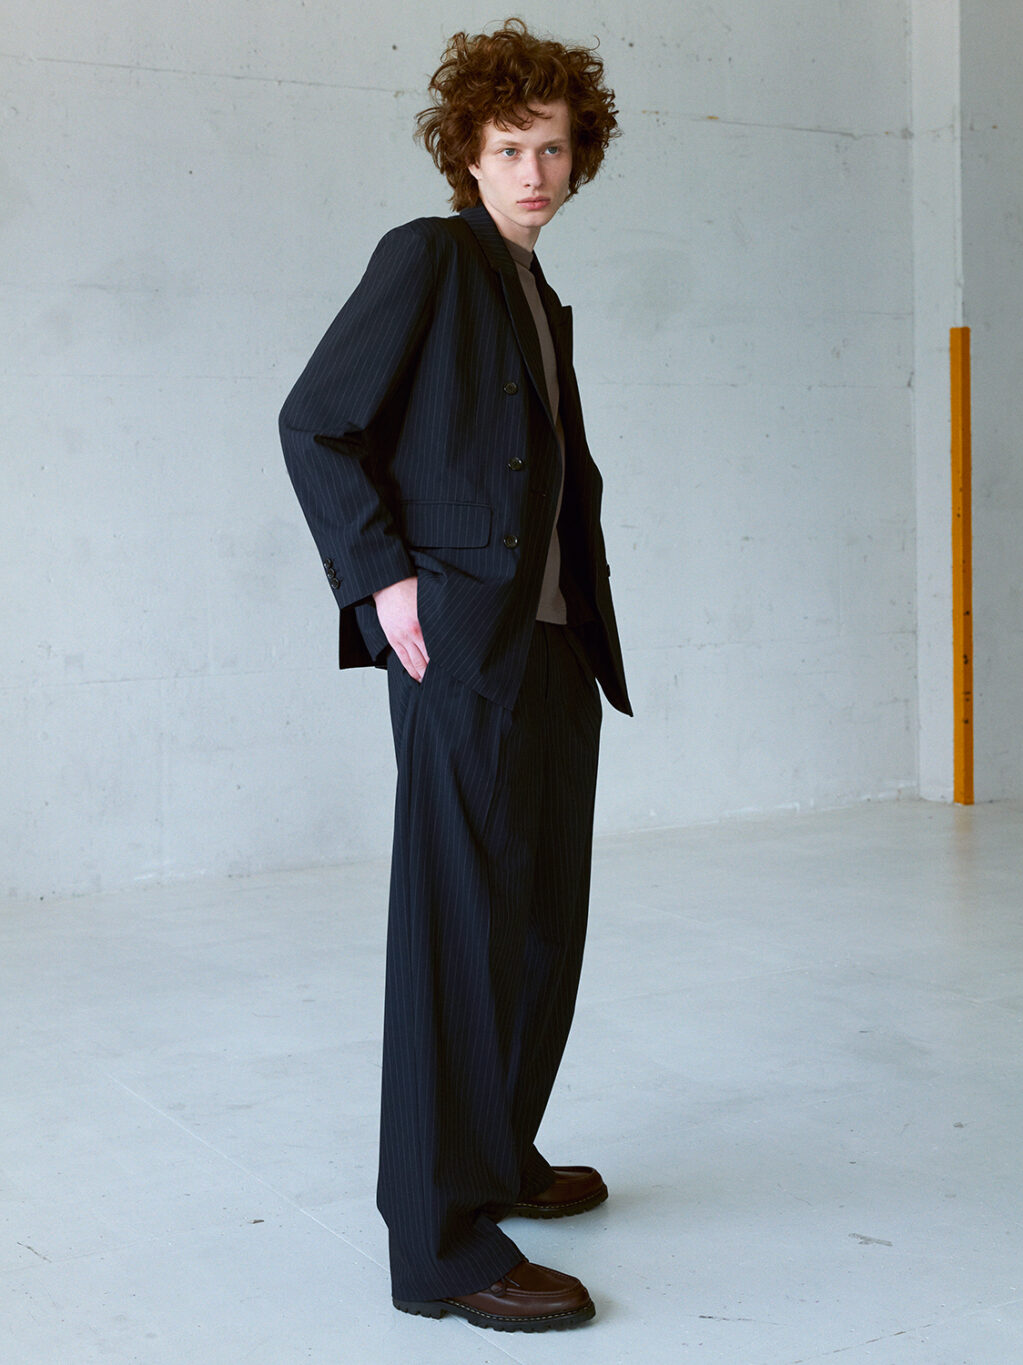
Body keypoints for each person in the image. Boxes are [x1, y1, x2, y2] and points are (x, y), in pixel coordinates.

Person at [279, 17, 631, 1333]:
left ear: (579, 159)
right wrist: (384, 580)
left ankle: (498, 1159)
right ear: (468, 156)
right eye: (509, 148)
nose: (533, 172)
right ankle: (439, 1249)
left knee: (541, 924)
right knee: (459, 939)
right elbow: (315, 420)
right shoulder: (432, 259)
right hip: (463, 653)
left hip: (551, 648)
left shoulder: (538, 293)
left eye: (554, 149)